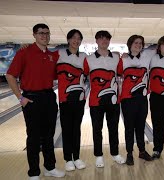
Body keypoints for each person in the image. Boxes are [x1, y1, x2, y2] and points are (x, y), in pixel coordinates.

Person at [6, 23, 65, 180]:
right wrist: (20, 97)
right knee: (33, 137)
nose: (44, 36)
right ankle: (33, 173)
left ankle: (50, 167)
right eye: (41, 33)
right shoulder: (24, 52)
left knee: (49, 135)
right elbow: (10, 75)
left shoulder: (53, 55)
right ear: (34, 35)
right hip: (31, 98)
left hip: (49, 97)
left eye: (47, 33)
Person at [83, 30, 125, 167]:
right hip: (96, 101)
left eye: (106, 38)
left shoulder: (116, 58)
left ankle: (115, 153)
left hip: (113, 100)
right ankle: (98, 155)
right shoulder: (88, 59)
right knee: (97, 129)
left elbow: (121, 75)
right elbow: (82, 77)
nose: (104, 41)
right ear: (96, 41)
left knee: (113, 128)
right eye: (101, 38)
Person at [117, 35, 154, 165]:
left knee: (140, 126)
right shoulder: (123, 60)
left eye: (140, 43)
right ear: (130, 44)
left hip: (142, 99)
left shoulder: (147, 57)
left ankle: (142, 151)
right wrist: (118, 55)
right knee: (129, 128)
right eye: (135, 43)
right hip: (127, 99)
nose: (138, 45)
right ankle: (129, 153)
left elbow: (163, 49)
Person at [56, 29, 87, 171]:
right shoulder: (59, 54)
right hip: (65, 99)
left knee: (76, 130)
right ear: (68, 40)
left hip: (80, 99)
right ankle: (68, 159)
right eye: (74, 38)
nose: (76, 40)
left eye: (79, 38)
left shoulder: (84, 56)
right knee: (67, 129)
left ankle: (77, 157)